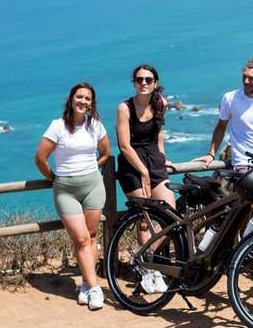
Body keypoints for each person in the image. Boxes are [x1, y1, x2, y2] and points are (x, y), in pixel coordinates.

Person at [35, 82, 110, 311]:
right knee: (81, 239)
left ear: (91, 103)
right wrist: (54, 178)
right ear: (71, 99)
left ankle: (87, 286)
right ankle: (96, 289)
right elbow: (40, 158)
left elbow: (106, 153)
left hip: (93, 186)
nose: (83, 101)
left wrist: (90, 169)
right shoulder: (57, 127)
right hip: (65, 190)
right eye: (79, 97)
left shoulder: (95, 125)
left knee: (92, 235)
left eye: (87, 98)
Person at [116, 64, 174, 294]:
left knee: (170, 212)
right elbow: (124, 145)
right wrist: (143, 171)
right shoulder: (125, 108)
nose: (144, 83)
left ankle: (144, 258)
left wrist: (162, 158)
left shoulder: (161, 103)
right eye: (139, 79)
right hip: (132, 163)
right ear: (134, 82)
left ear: (155, 82)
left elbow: (158, 132)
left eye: (148, 79)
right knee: (145, 216)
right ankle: (148, 269)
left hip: (153, 160)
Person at [194, 51, 253, 177]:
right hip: (243, 162)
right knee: (250, 196)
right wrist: (211, 154)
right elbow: (221, 126)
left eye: (251, 78)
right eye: (244, 76)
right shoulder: (230, 98)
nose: (246, 81)